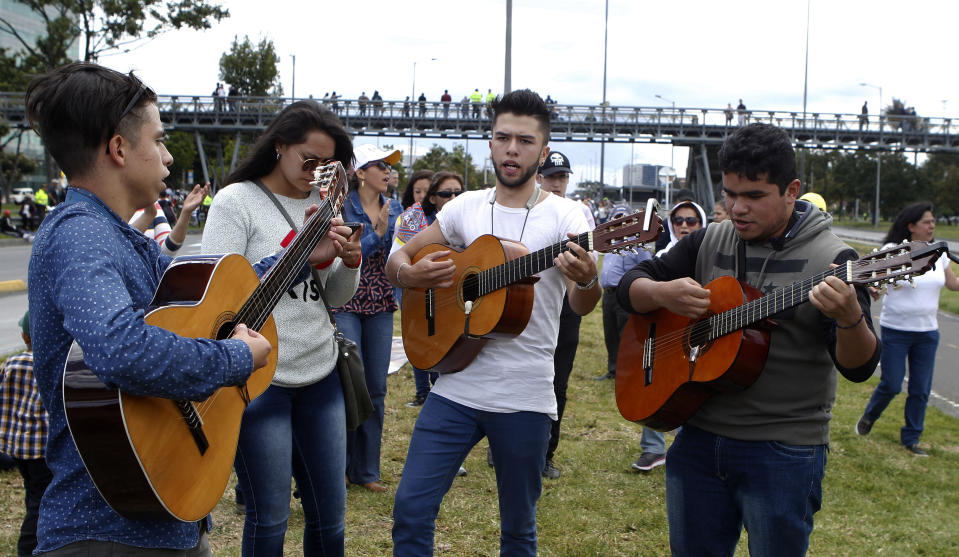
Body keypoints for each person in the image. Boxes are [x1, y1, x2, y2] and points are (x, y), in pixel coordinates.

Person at [24, 61, 352, 555]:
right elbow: (121, 351)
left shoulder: (124, 239)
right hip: (103, 531)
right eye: (158, 141)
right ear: (118, 148)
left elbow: (218, 294)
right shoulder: (79, 231)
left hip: (165, 510)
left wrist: (301, 253)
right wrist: (236, 360)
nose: (168, 158)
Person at [617, 123, 879, 556]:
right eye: (729, 194)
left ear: (791, 190)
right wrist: (662, 293)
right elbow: (631, 285)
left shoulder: (834, 259)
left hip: (783, 450)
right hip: (698, 435)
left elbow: (859, 366)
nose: (737, 208)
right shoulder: (709, 240)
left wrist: (851, 318)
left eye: (754, 196)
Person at [387, 89, 601, 556]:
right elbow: (399, 257)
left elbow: (581, 305)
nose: (512, 149)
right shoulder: (465, 206)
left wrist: (587, 280)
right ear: (489, 142)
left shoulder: (568, 216)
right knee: (410, 511)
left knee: (518, 530)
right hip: (456, 382)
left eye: (525, 141)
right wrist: (411, 272)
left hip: (525, 393)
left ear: (542, 152)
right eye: (503, 137)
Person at [202, 99, 362, 555]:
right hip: (258, 380)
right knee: (269, 518)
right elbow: (222, 297)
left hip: (320, 372)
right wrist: (300, 254)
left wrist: (348, 262)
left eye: (326, 164)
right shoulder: (238, 202)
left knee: (330, 518)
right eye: (307, 159)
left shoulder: (322, 205)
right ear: (279, 146)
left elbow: (332, 296)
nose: (315, 173)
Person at [855, 202, 959, 456]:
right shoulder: (893, 252)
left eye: (933, 221)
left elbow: (953, 284)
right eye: (926, 221)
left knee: (920, 389)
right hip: (896, 331)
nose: (932, 225)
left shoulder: (940, 253)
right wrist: (873, 291)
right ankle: (869, 416)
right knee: (891, 383)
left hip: (927, 333)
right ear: (912, 226)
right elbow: (874, 284)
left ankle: (911, 439)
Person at [337, 143, 404, 493]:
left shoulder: (396, 209)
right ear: (360, 172)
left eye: (390, 166)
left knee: (376, 388)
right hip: (346, 302)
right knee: (351, 384)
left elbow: (404, 252)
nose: (387, 171)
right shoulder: (343, 207)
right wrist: (376, 235)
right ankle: (342, 467)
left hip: (381, 304)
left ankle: (367, 471)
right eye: (380, 165)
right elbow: (344, 255)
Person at [631, 199, 708, 473]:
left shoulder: (710, 251)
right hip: (665, 336)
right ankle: (653, 448)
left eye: (691, 221)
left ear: (702, 224)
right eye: (678, 221)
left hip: (698, 337)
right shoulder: (664, 254)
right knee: (657, 385)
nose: (684, 226)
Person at [534, 150, 595, 480]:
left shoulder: (580, 212)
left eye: (562, 177)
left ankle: (546, 452)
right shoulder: (414, 215)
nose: (556, 183)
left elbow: (591, 260)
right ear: (538, 177)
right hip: (525, 302)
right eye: (551, 176)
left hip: (566, 305)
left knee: (557, 381)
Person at [392, 171, 466, 409]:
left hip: (451, 293)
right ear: (433, 198)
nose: (453, 197)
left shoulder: (468, 218)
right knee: (420, 340)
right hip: (417, 292)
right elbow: (398, 256)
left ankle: (441, 390)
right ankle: (424, 392)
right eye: (446, 193)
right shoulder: (414, 218)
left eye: (458, 192)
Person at [0, 311, 52, 557]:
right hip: (42, 449)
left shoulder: (12, 364)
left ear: (24, 336)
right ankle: (29, 548)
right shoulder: (51, 364)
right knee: (39, 502)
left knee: (33, 492)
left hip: (17, 447)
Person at [596, 203, 651, 382]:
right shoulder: (609, 245)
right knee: (610, 333)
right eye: (616, 218)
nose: (620, 223)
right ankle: (613, 370)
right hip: (608, 295)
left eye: (624, 219)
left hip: (625, 295)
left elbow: (648, 268)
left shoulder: (638, 244)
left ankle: (628, 374)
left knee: (626, 336)